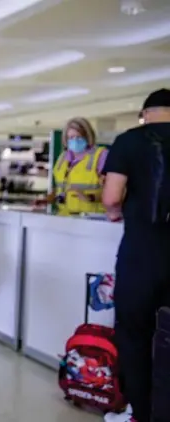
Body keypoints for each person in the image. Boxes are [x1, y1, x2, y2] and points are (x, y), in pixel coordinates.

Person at [102, 88, 170, 422]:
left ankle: (141, 414)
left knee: (135, 334)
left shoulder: (130, 141)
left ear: (145, 114)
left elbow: (112, 196)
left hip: (142, 253)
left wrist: (116, 213)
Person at [40, 117, 108, 214]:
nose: (75, 141)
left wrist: (90, 197)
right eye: (71, 138)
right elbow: (60, 189)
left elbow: (114, 191)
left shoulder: (100, 156)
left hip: (92, 218)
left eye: (79, 137)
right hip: (65, 218)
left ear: (87, 137)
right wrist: (46, 200)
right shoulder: (62, 159)